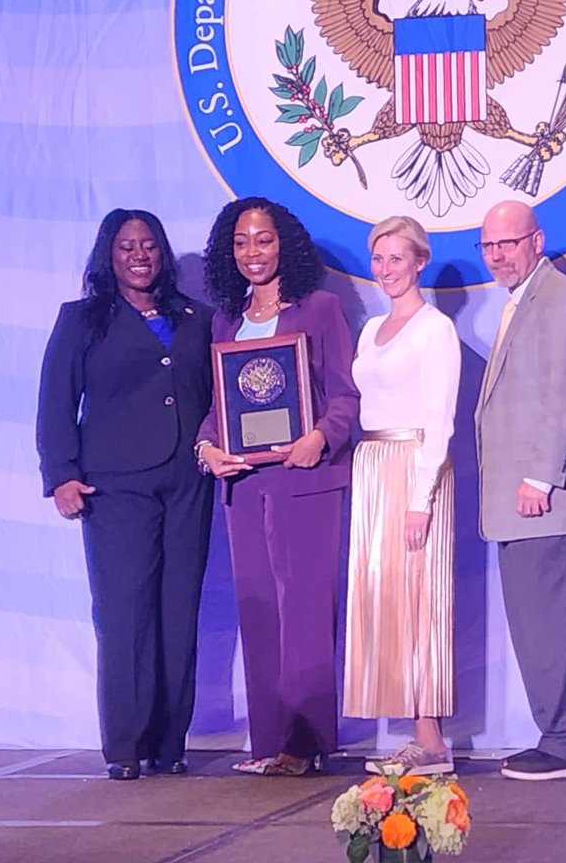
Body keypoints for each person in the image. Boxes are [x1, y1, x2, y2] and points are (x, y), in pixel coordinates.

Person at [36, 209, 214, 781]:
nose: (139, 255)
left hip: (188, 481)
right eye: (126, 247)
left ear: (162, 253)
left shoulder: (197, 318)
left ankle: (170, 743)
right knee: (124, 613)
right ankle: (127, 746)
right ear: (107, 256)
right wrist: (61, 474)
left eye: (149, 246)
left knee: (177, 609)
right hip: (114, 486)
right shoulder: (83, 320)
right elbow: (55, 402)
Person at [195, 197, 359, 777]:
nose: (252, 252)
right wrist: (207, 446)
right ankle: (267, 742)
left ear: (283, 243)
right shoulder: (225, 320)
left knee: (307, 611)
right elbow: (219, 406)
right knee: (259, 612)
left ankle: (305, 743)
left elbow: (346, 394)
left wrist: (320, 436)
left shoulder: (318, 309)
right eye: (241, 242)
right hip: (244, 487)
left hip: (305, 478)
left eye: (263, 239)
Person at [474, 199, 566, 781]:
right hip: (527, 498)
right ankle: (563, 735)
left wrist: (540, 476)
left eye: (509, 242)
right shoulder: (525, 301)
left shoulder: (557, 300)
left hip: (544, 497)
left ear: (537, 241)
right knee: (540, 622)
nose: (499, 255)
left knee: (551, 621)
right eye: (489, 246)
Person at [342, 216, 461, 776]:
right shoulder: (370, 329)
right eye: (379, 258)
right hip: (372, 465)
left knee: (419, 598)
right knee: (384, 597)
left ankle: (432, 740)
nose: (386, 269)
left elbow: (439, 421)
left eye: (397, 258)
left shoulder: (435, 330)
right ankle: (411, 733)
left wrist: (422, 497)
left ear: (420, 261)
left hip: (414, 464)